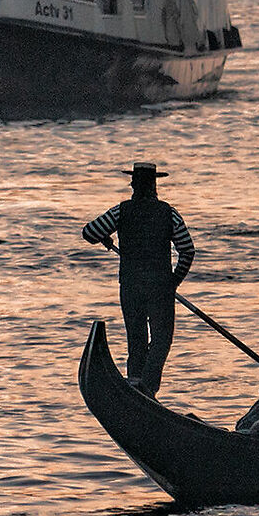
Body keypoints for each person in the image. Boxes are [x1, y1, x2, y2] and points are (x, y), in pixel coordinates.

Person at [82, 162, 195, 395]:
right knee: (161, 340)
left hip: (131, 285)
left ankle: (135, 384)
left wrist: (105, 236)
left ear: (134, 185)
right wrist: (174, 281)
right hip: (160, 287)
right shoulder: (168, 213)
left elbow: (89, 232)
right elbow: (187, 250)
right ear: (154, 186)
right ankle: (147, 388)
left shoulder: (120, 211)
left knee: (136, 339)